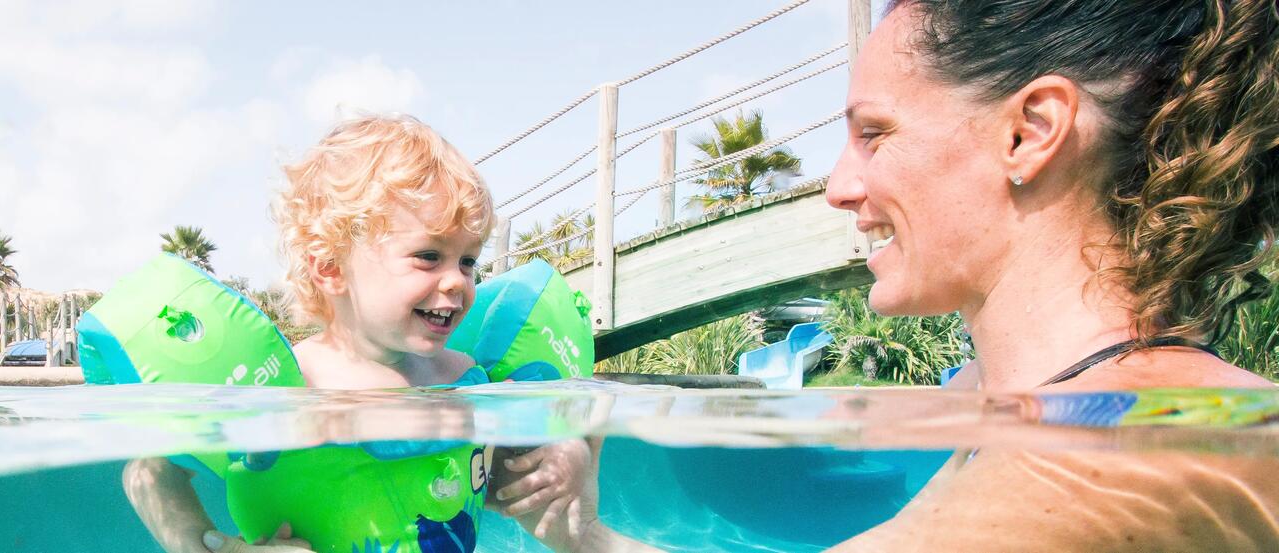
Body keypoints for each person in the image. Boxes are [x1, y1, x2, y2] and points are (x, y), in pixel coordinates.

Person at [499, 1, 1279, 550]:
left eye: (874, 133)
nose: (839, 186)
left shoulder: (1099, 454)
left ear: (1029, 131)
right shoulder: (1023, 409)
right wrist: (587, 532)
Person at [123, 114, 591, 553]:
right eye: (429, 256)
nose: (457, 281)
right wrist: (205, 545)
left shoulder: (466, 377)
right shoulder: (288, 383)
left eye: (467, 261)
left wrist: (567, 455)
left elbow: (498, 475)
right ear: (330, 268)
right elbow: (149, 471)